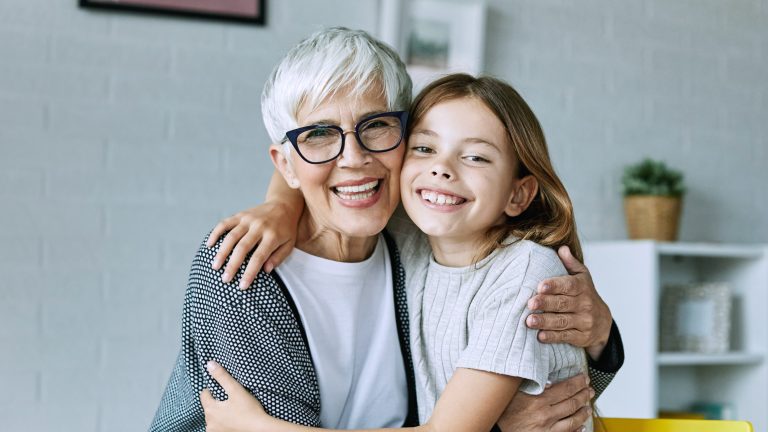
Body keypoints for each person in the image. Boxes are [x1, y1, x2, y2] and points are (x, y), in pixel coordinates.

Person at [151, 27, 622, 432]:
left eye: (376, 126)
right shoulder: (243, 272)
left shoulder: (413, 238)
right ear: (287, 164)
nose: (353, 158)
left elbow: (551, 383)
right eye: (318, 134)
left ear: (403, 137)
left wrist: (598, 334)